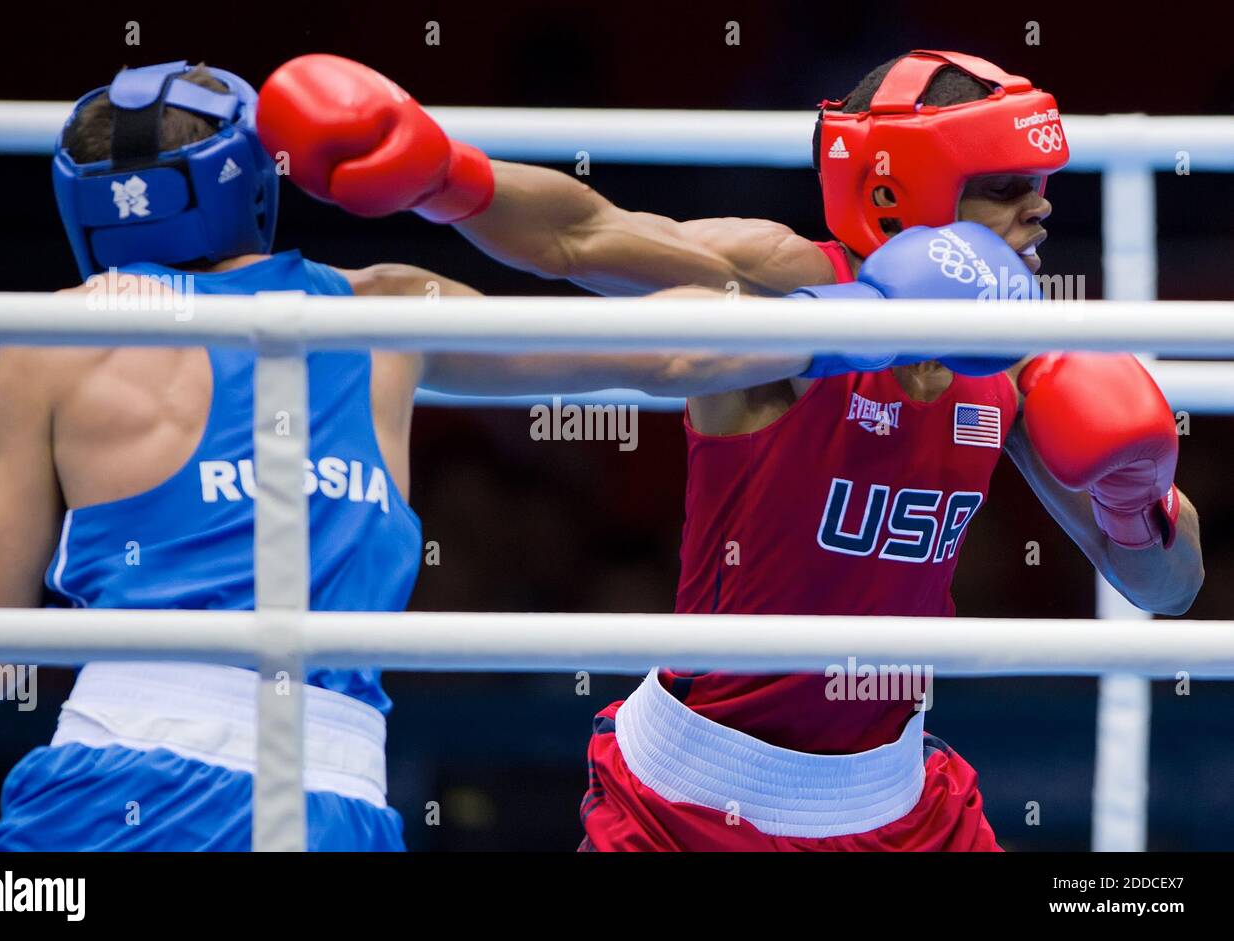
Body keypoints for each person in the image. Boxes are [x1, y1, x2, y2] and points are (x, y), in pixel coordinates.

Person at [256, 50, 1204, 851]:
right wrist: (443, 176)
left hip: (904, 803)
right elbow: (587, 235)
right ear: (895, 189)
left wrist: (1139, 502)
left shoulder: (1025, 358)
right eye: (1005, 188)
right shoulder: (782, 281)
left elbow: (1166, 589)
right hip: (693, 801)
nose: (1040, 212)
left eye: (1043, 186)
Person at [0, 60, 840, 851]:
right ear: (253, 183)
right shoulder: (384, 311)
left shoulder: (52, 339)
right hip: (336, 793)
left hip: (109, 783)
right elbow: (671, 352)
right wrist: (854, 311)